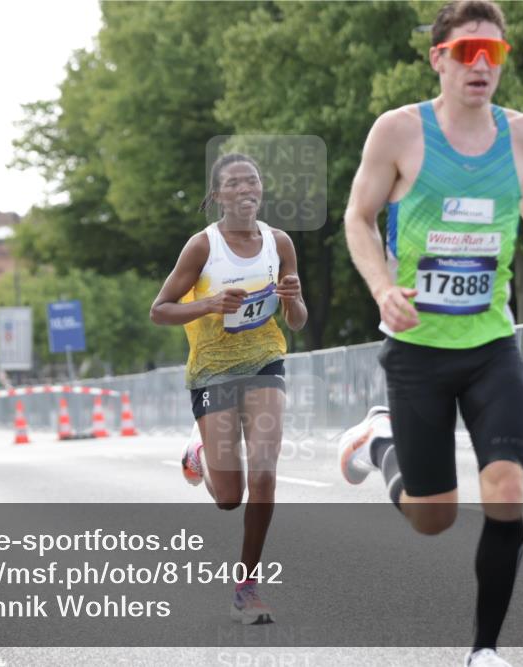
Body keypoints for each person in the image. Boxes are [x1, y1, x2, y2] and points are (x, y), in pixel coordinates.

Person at [339, 2, 523, 666]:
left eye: (495, 53)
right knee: (434, 517)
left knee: (506, 488)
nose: (482, 65)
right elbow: (359, 219)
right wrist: (382, 288)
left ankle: (483, 649)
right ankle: (377, 439)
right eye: (468, 51)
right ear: (439, 59)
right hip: (419, 350)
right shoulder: (398, 133)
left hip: (490, 348)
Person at [150, 153, 308, 625]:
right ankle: (198, 454)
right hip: (213, 371)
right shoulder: (202, 247)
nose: (245, 189)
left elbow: (296, 322)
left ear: (261, 191)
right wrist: (211, 304)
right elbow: (160, 309)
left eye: (252, 182)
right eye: (234, 184)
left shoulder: (279, 243)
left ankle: (246, 587)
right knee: (228, 497)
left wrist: (294, 299)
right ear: (218, 196)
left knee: (264, 472)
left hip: (264, 364)